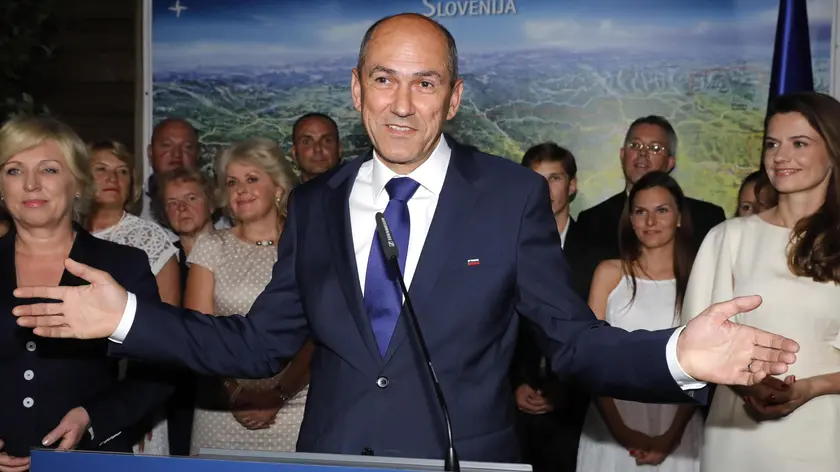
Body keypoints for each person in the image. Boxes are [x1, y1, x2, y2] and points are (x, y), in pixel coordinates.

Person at [13, 13, 798, 463]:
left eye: (424, 83)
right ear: (356, 88)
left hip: (466, 459)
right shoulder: (317, 202)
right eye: (383, 79)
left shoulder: (510, 195)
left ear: (453, 98)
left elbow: (572, 342)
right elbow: (257, 347)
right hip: (332, 460)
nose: (400, 104)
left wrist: (675, 356)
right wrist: (126, 318)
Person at [0, 115, 173, 466]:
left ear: (77, 182)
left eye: (48, 170)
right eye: (14, 170)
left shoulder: (123, 265)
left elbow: (162, 369)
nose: (31, 184)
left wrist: (93, 417)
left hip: (91, 460)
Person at [682, 91, 840, 472]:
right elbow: (694, 345)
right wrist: (749, 385)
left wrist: (810, 387)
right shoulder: (728, 237)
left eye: (799, 143)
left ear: (833, 150)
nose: (780, 157)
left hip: (826, 435)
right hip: (737, 436)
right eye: (772, 144)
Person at [185, 138, 310, 454]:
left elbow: (318, 335)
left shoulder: (307, 248)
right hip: (222, 410)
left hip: (296, 408)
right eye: (232, 182)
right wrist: (234, 395)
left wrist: (278, 396)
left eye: (252, 179)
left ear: (278, 187)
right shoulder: (210, 247)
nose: (240, 189)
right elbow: (199, 335)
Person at [577, 172, 702, 472]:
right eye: (640, 212)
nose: (650, 221)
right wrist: (622, 431)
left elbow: (702, 367)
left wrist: (669, 437)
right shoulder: (609, 273)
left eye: (661, 210)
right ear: (630, 219)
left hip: (679, 426)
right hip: (610, 424)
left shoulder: (699, 278)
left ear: (679, 217)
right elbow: (591, 359)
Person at [576, 116, 726, 258]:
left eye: (655, 148)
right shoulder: (592, 221)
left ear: (670, 163)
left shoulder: (707, 218)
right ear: (623, 154)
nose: (642, 153)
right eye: (635, 145)